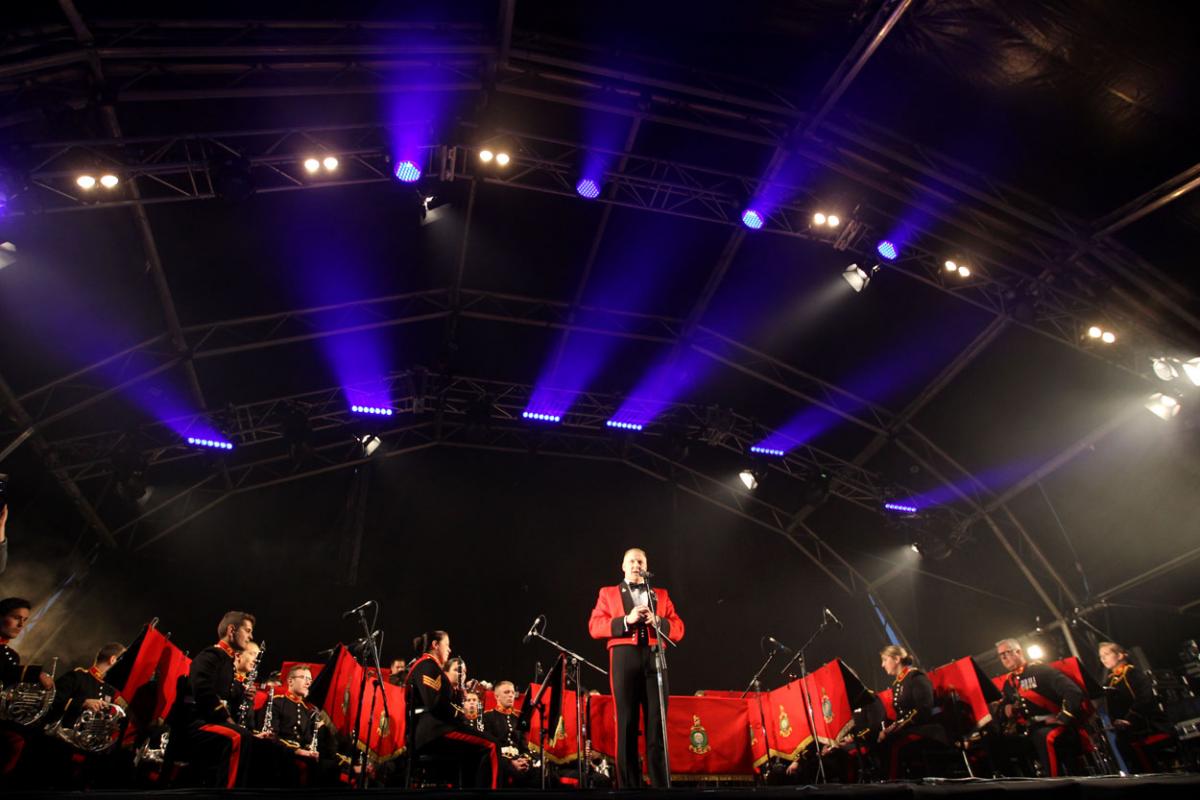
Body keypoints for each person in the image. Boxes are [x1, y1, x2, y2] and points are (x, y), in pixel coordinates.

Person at [587, 547, 684, 788]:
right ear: (623, 566)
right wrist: (626, 620)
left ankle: (662, 785)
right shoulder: (607, 593)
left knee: (657, 724)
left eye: (640, 561)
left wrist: (658, 621)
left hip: (654, 655)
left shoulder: (660, 594)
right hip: (624, 657)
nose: (635, 565)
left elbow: (679, 627)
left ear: (646, 566)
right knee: (626, 722)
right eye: (631, 561)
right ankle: (629, 786)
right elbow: (594, 626)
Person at [166, 611, 260, 788]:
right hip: (196, 723)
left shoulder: (227, 661)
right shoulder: (211, 655)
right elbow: (203, 690)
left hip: (211, 722)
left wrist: (243, 695)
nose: (250, 636)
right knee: (238, 737)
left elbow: (225, 694)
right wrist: (226, 718)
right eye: (247, 631)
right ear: (232, 630)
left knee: (257, 743)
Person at [405, 631, 498, 788]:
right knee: (492, 745)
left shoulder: (431, 667)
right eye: (446, 645)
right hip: (435, 730)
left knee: (476, 753)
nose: (449, 650)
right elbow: (435, 704)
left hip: (437, 729)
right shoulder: (427, 665)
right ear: (435, 645)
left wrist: (458, 694)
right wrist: (462, 713)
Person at [992, 638, 1084, 777]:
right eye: (1001, 655)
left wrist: (1063, 717)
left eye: (1007, 652)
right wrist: (1006, 710)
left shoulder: (1041, 670)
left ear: (1018, 651)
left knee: (1042, 736)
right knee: (998, 745)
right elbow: (1004, 707)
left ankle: (1055, 784)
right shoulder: (1008, 683)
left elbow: (1073, 692)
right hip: (1029, 729)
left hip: (1057, 726)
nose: (1004, 657)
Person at [0, 597, 54, 782]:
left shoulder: (11, 654)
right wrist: (33, 674)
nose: (21, 624)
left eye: (24, 620)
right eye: (16, 617)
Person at [1099, 641, 1172, 772]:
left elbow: (1145, 698)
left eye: (1106, 654)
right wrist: (1114, 722)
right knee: (1120, 743)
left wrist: (1130, 719)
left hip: (1146, 724)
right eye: (1101, 656)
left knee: (1129, 744)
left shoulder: (1133, 673)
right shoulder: (1109, 681)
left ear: (1120, 655)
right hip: (1126, 730)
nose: (1103, 658)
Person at [876, 644, 946, 779]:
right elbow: (901, 715)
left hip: (925, 729)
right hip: (910, 728)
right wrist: (890, 728)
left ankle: (895, 785)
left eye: (885, 660)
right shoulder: (897, 683)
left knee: (894, 745)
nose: (882, 665)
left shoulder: (915, 676)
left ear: (896, 659)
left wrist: (899, 726)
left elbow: (924, 708)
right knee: (880, 743)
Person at [482, 680, 536, 786]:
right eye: (506, 692)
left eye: (512, 692)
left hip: (518, 761)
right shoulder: (487, 717)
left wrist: (525, 760)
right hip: (499, 762)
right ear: (496, 696)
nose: (511, 695)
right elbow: (488, 748)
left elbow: (524, 747)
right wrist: (509, 763)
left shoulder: (517, 719)